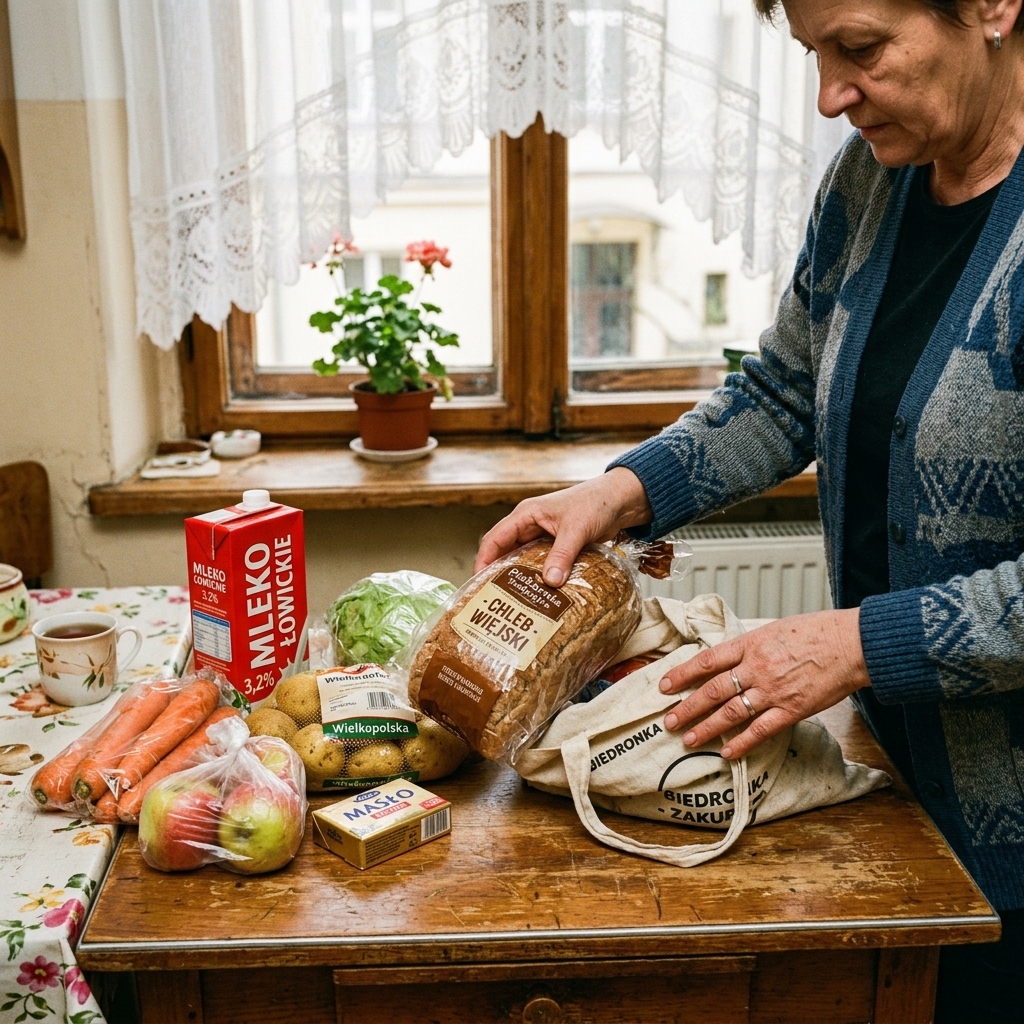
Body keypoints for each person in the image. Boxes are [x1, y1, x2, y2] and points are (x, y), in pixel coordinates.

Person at [476, 0, 1024, 1019]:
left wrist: (861, 642)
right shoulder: (872, 177)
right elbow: (783, 389)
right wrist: (620, 492)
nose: (829, 98)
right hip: (907, 786)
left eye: (859, 49)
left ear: (991, 6)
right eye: (812, 55)